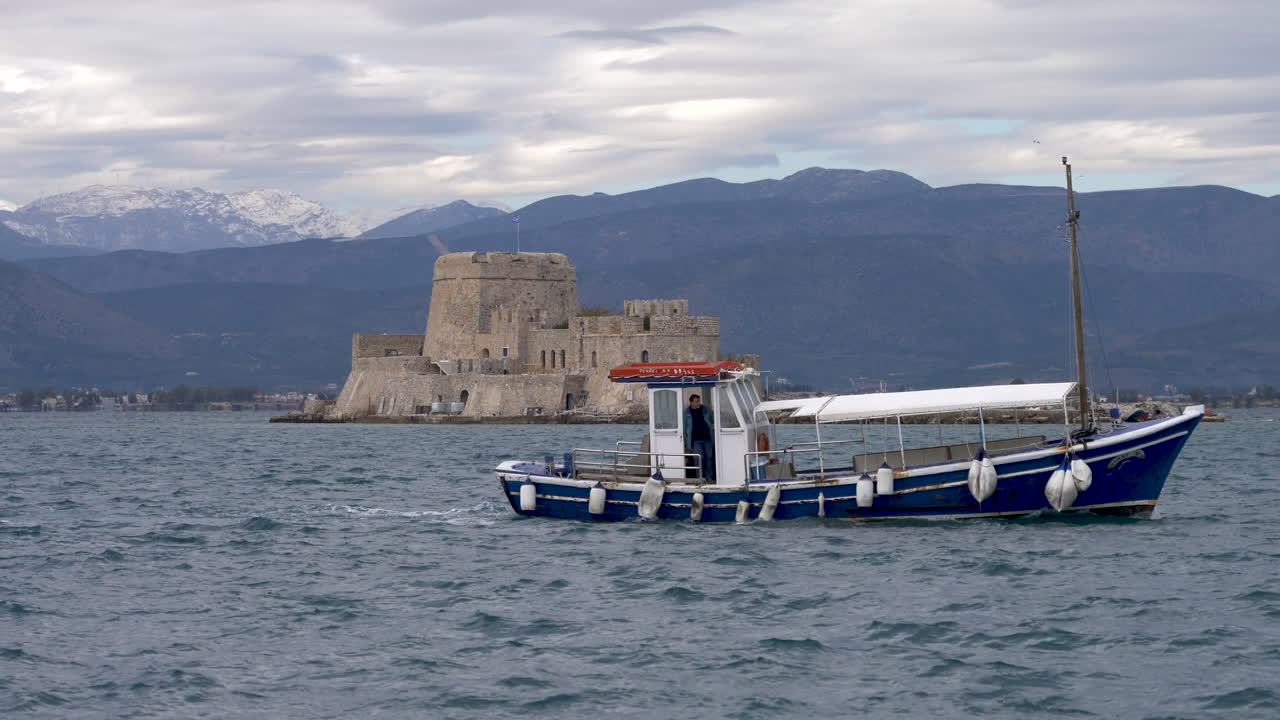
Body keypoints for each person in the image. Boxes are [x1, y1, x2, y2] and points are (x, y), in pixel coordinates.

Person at [684, 394, 716, 481]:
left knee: (709, 458)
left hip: (707, 438)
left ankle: (709, 478)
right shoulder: (686, 413)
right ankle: (700, 478)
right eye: (696, 402)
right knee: (698, 458)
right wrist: (686, 443)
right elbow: (684, 428)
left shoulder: (706, 410)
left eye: (699, 401)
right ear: (691, 402)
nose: (698, 403)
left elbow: (714, 419)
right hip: (695, 440)